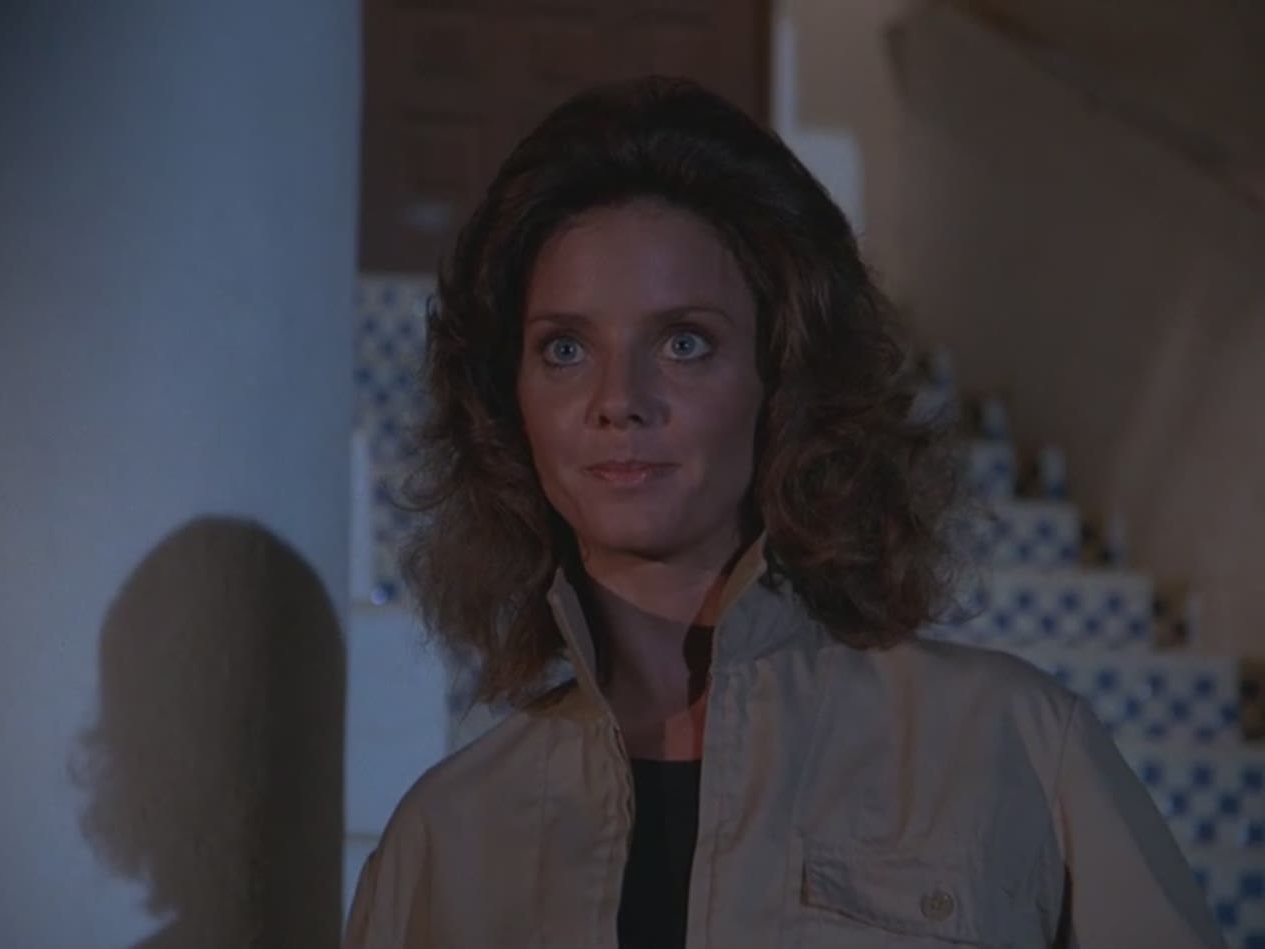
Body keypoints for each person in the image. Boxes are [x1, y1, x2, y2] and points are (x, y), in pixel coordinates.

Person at [344, 77, 1225, 948]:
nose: (619, 400)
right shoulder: (444, 842)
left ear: (786, 378)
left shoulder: (1011, 746)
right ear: (508, 402)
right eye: (565, 348)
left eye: (684, 341)